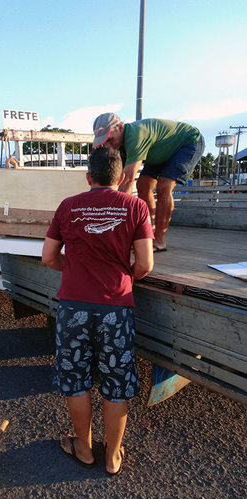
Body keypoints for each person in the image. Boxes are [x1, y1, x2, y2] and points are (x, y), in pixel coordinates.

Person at [42, 146, 154, 475]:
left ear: (88, 177)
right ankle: (113, 456)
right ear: (121, 178)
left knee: (77, 382)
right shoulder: (136, 207)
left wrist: (75, 272)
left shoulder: (68, 206)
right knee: (116, 384)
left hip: (73, 307)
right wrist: (121, 276)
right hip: (115, 310)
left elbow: (48, 257)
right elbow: (145, 263)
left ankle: (85, 449)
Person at [92, 113, 205, 251]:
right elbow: (116, 181)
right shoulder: (118, 146)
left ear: (121, 127)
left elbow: (127, 180)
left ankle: (159, 241)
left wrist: (115, 220)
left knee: (164, 186)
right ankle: (148, 235)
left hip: (187, 143)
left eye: (110, 139)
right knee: (143, 185)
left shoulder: (135, 136)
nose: (108, 146)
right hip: (158, 151)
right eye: (104, 143)